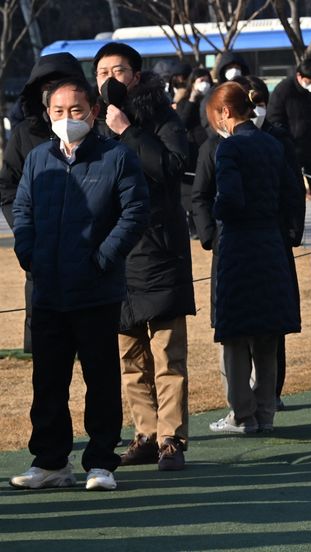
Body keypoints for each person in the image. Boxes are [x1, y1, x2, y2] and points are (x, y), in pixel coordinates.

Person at [9, 77, 149, 491]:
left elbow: (134, 212)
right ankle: (51, 461)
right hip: (48, 288)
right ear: (47, 113)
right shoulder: (38, 158)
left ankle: (101, 462)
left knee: (100, 378)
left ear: (92, 111)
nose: (67, 119)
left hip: (95, 289)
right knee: (47, 381)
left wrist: (103, 258)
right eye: (58, 111)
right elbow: (23, 209)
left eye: (75, 111)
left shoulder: (116, 157)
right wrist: (29, 253)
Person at [93, 42, 195, 471]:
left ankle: (172, 439)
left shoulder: (160, 116)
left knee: (167, 353)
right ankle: (146, 434)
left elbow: (173, 169)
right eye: (101, 72)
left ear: (135, 75)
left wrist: (128, 132)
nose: (108, 79)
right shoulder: (91, 123)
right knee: (130, 356)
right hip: (116, 253)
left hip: (159, 248)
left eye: (117, 70)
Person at [204, 82, 301, 434]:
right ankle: (265, 412)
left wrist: (217, 212)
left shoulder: (229, 149)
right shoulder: (272, 144)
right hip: (271, 245)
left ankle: (242, 415)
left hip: (240, 247)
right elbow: (292, 193)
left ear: (225, 112)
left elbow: (228, 200)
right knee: (267, 334)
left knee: (235, 335)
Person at [0, 52, 86, 354]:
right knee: (46, 341)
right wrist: (25, 234)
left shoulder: (96, 132)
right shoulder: (24, 135)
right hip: (41, 243)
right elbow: (7, 187)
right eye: (46, 86)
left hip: (89, 246)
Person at [267, 58, 311, 245]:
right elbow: (274, 118)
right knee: (294, 191)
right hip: (290, 150)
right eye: (310, 80)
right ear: (299, 76)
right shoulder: (284, 89)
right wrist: (286, 141)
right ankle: (294, 229)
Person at [176, 67, 215, 238]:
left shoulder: (212, 99)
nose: (204, 83)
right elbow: (182, 122)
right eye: (200, 80)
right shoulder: (184, 101)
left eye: (206, 80)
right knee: (191, 191)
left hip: (209, 146)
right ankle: (193, 226)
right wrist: (192, 99)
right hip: (192, 150)